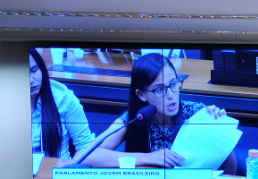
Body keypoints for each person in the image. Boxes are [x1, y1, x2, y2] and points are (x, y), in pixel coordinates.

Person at [82, 52, 234, 172]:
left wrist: (219, 134)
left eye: (174, 84)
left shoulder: (197, 113)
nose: (171, 95)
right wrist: (147, 158)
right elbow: (84, 156)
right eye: (160, 89)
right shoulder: (135, 117)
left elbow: (230, 168)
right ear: (142, 94)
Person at [29, 48, 96, 161]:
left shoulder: (63, 97)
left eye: (34, 70)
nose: (31, 80)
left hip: (57, 173)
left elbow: (85, 146)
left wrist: (68, 172)